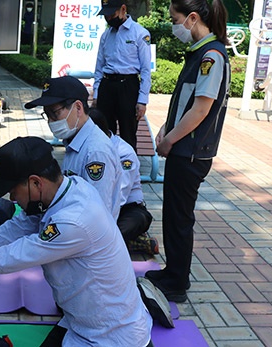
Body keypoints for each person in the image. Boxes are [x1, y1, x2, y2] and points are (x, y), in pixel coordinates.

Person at [0, 136, 153, 347]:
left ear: (37, 182)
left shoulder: (73, 221)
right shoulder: (68, 188)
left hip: (111, 336)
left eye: (13, 189)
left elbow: (14, 256)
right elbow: (18, 226)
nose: (11, 197)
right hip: (81, 322)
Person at [145, 0, 231, 303]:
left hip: (191, 151)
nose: (173, 25)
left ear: (192, 18)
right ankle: (172, 272)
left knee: (180, 217)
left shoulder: (211, 56)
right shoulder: (200, 53)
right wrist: (165, 128)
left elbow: (201, 109)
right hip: (184, 147)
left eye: (175, 18)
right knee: (173, 214)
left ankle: (177, 283)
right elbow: (185, 101)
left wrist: (169, 140)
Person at [24, 75, 123, 221]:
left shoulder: (95, 151)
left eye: (55, 113)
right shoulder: (75, 142)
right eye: (47, 115)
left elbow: (96, 213)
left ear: (78, 107)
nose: (51, 121)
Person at [89, 108, 158, 256]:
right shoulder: (88, 148)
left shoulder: (124, 153)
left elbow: (119, 196)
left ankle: (124, 241)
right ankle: (130, 243)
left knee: (104, 236)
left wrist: (97, 221)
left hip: (126, 208)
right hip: (96, 207)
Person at [93, 0, 152, 151]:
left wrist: (142, 100)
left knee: (128, 132)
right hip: (107, 86)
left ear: (123, 9)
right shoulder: (106, 35)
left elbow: (146, 70)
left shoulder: (140, 33)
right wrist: (96, 93)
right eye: (106, 15)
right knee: (103, 131)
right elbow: (99, 66)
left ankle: (128, 170)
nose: (108, 18)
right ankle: (107, 167)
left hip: (128, 86)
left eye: (112, 14)